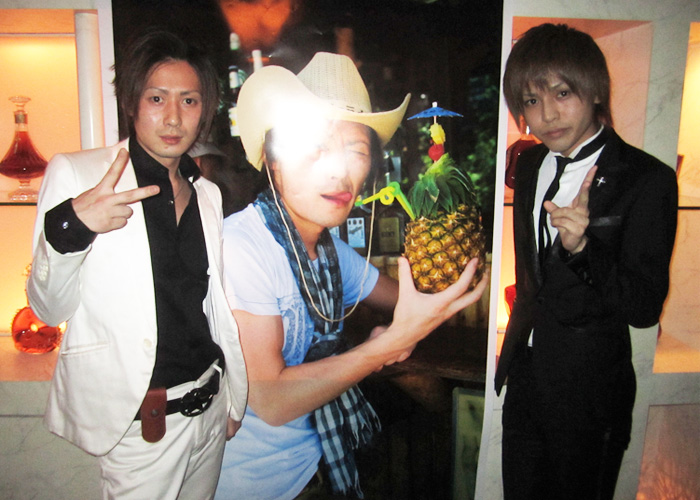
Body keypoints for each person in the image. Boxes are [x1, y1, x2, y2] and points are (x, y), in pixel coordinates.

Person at [214, 52, 488, 499]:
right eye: (316, 148)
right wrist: (387, 344)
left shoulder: (329, 251)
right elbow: (272, 400)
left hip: (325, 462)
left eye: (356, 151)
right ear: (274, 160)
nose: (339, 170)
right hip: (260, 486)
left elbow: (408, 300)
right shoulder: (244, 246)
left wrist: (448, 255)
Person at [26, 29, 247, 499]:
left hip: (209, 411)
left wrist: (231, 398)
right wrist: (72, 228)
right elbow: (48, 309)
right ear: (131, 102)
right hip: (143, 428)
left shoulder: (206, 194)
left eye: (189, 101)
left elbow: (211, 307)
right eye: (156, 98)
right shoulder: (82, 175)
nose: (173, 117)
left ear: (205, 110)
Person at [495, 23, 678, 500]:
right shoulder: (529, 165)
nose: (547, 114)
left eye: (562, 93)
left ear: (595, 90)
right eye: (531, 100)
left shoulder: (647, 179)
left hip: (590, 392)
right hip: (526, 377)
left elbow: (644, 307)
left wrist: (583, 251)